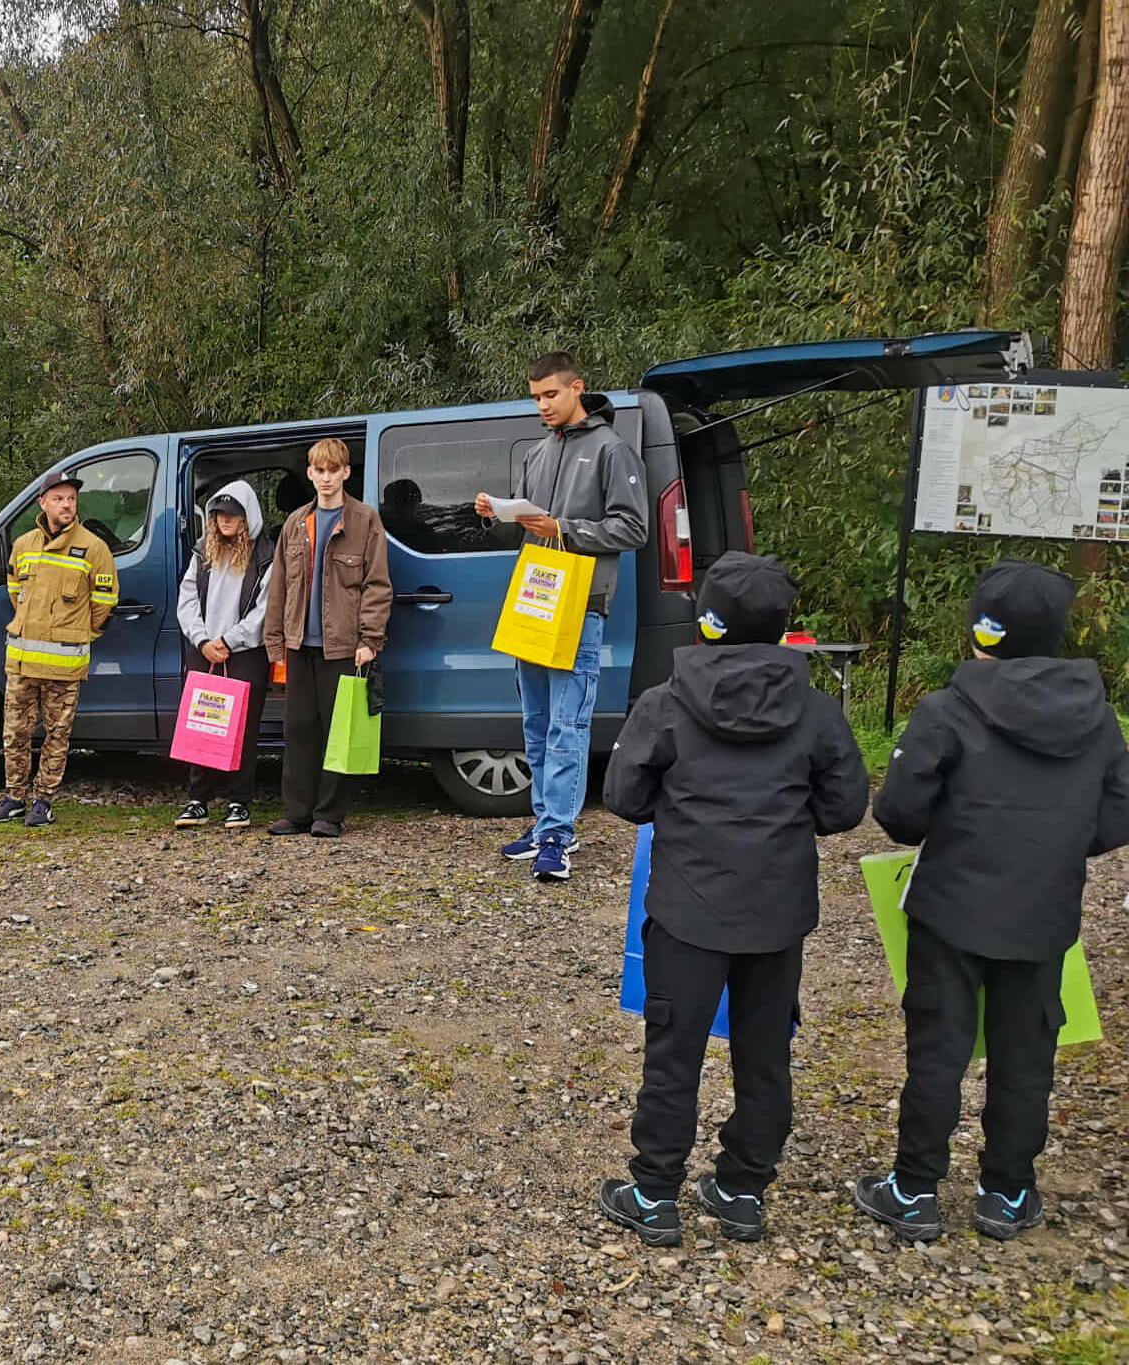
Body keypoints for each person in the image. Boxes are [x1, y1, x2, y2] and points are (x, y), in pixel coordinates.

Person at [596, 554, 868, 1247]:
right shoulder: (813, 709)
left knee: (673, 1051)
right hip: (776, 912)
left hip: (687, 907)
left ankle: (654, 1193)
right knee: (765, 1050)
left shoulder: (666, 701)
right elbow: (844, 806)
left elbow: (625, 796)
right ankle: (744, 1186)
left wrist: (682, 810)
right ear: (781, 627)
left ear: (708, 620)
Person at [853, 560, 1129, 1243]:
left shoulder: (947, 709)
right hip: (1044, 911)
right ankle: (1007, 1192)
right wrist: (1057, 846)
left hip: (950, 906)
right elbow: (1120, 811)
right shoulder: (1097, 717)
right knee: (1026, 1055)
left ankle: (913, 1188)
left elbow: (900, 811)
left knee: (938, 1051)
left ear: (980, 630)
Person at [476, 351, 648, 883]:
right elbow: (530, 527)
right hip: (536, 600)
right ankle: (543, 822)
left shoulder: (611, 450)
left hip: (582, 603)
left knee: (568, 723)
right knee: (535, 721)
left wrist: (565, 529)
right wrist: (497, 517)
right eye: (535, 397)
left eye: (550, 394)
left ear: (577, 388)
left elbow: (633, 528)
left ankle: (559, 835)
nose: (543, 405)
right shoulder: (537, 451)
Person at [262, 438, 391, 839]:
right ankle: (296, 812)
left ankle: (328, 815)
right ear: (310, 473)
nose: (326, 478)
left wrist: (370, 639)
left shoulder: (365, 521)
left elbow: (377, 585)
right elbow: (279, 586)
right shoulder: (296, 522)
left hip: (345, 647)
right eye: (319, 471)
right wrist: (275, 640)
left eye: (333, 470)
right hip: (299, 645)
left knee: (339, 731)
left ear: (346, 473)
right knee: (298, 728)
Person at [0, 467, 120, 828]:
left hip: (63, 664)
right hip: (22, 663)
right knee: (14, 733)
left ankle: (43, 800)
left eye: (71, 499)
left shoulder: (95, 548)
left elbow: (103, 605)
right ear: (42, 503)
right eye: (58, 498)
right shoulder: (23, 545)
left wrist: (73, 634)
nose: (66, 505)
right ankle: (15, 797)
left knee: (57, 737)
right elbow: (16, 593)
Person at [173, 481, 275, 831]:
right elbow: (186, 600)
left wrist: (231, 640)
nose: (224, 521)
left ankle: (238, 801)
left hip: (245, 653)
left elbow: (265, 609)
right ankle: (198, 799)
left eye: (232, 514)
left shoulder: (265, 556)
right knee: (202, 724)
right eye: (218, 514)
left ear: (247, 517)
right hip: (205, 651)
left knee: (243, 730)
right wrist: (202, 641)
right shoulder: (203, 551)